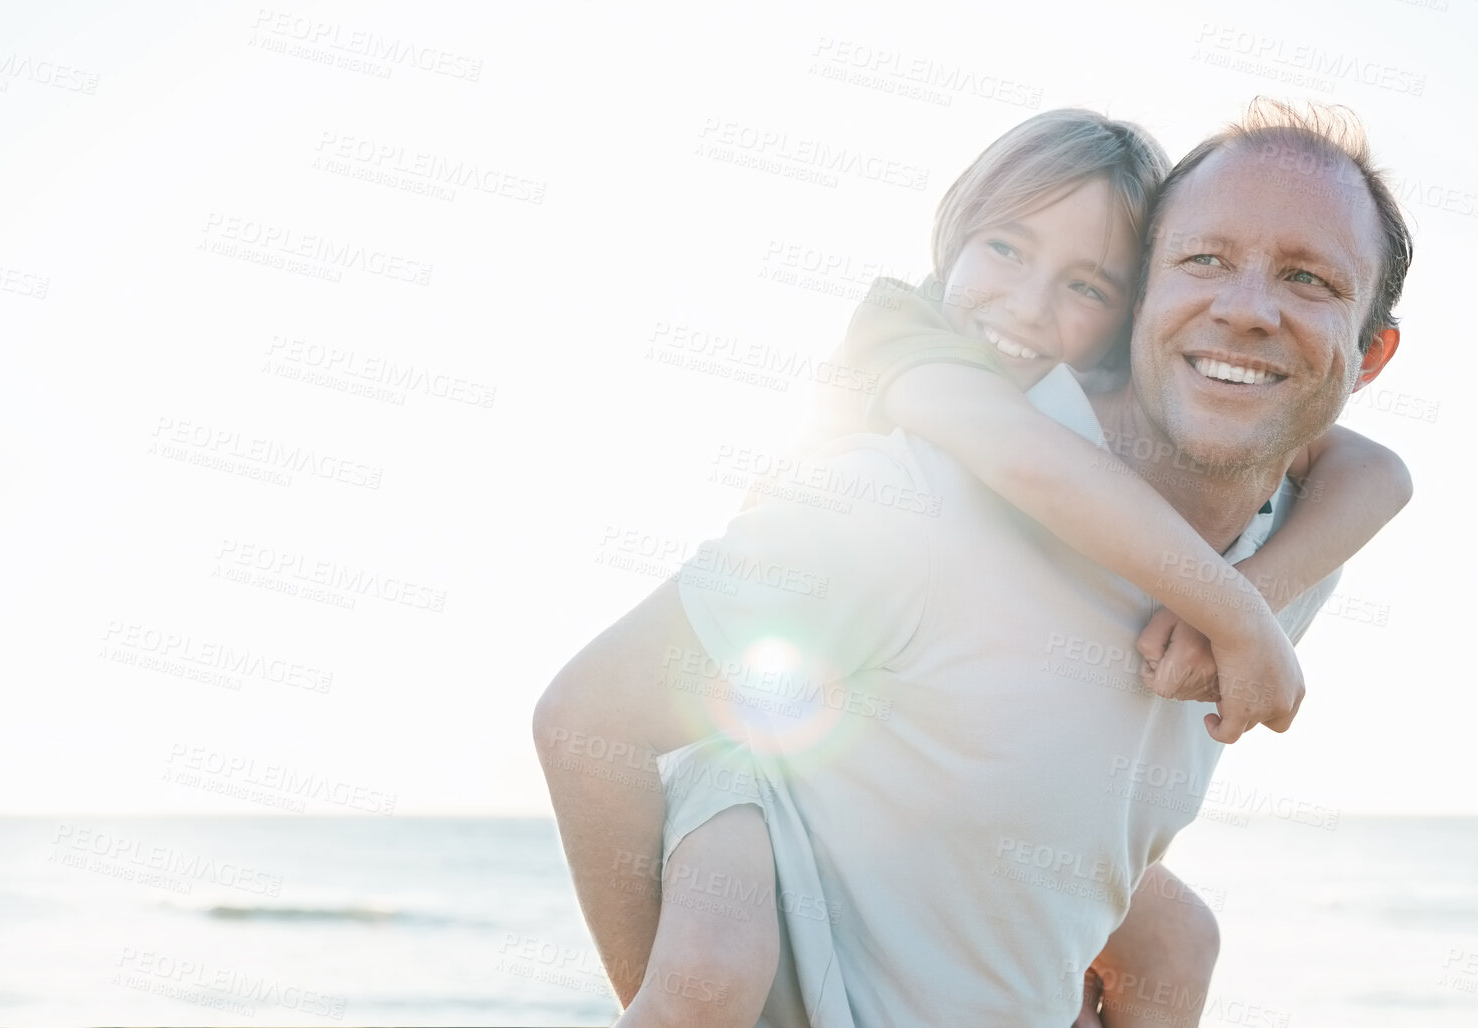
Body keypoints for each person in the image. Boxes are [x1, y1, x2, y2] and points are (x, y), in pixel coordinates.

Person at [536, 98, 1414, 1026]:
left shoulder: (1298, 537)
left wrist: (1247, 602)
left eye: (1310, 278)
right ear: (1153, 299)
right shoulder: (907, 482)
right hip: (749, 764)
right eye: (1204, 260)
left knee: (1180, 938)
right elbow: (587, 721)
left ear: (1370, 357)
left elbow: (1378, 472)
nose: (1244, 310)